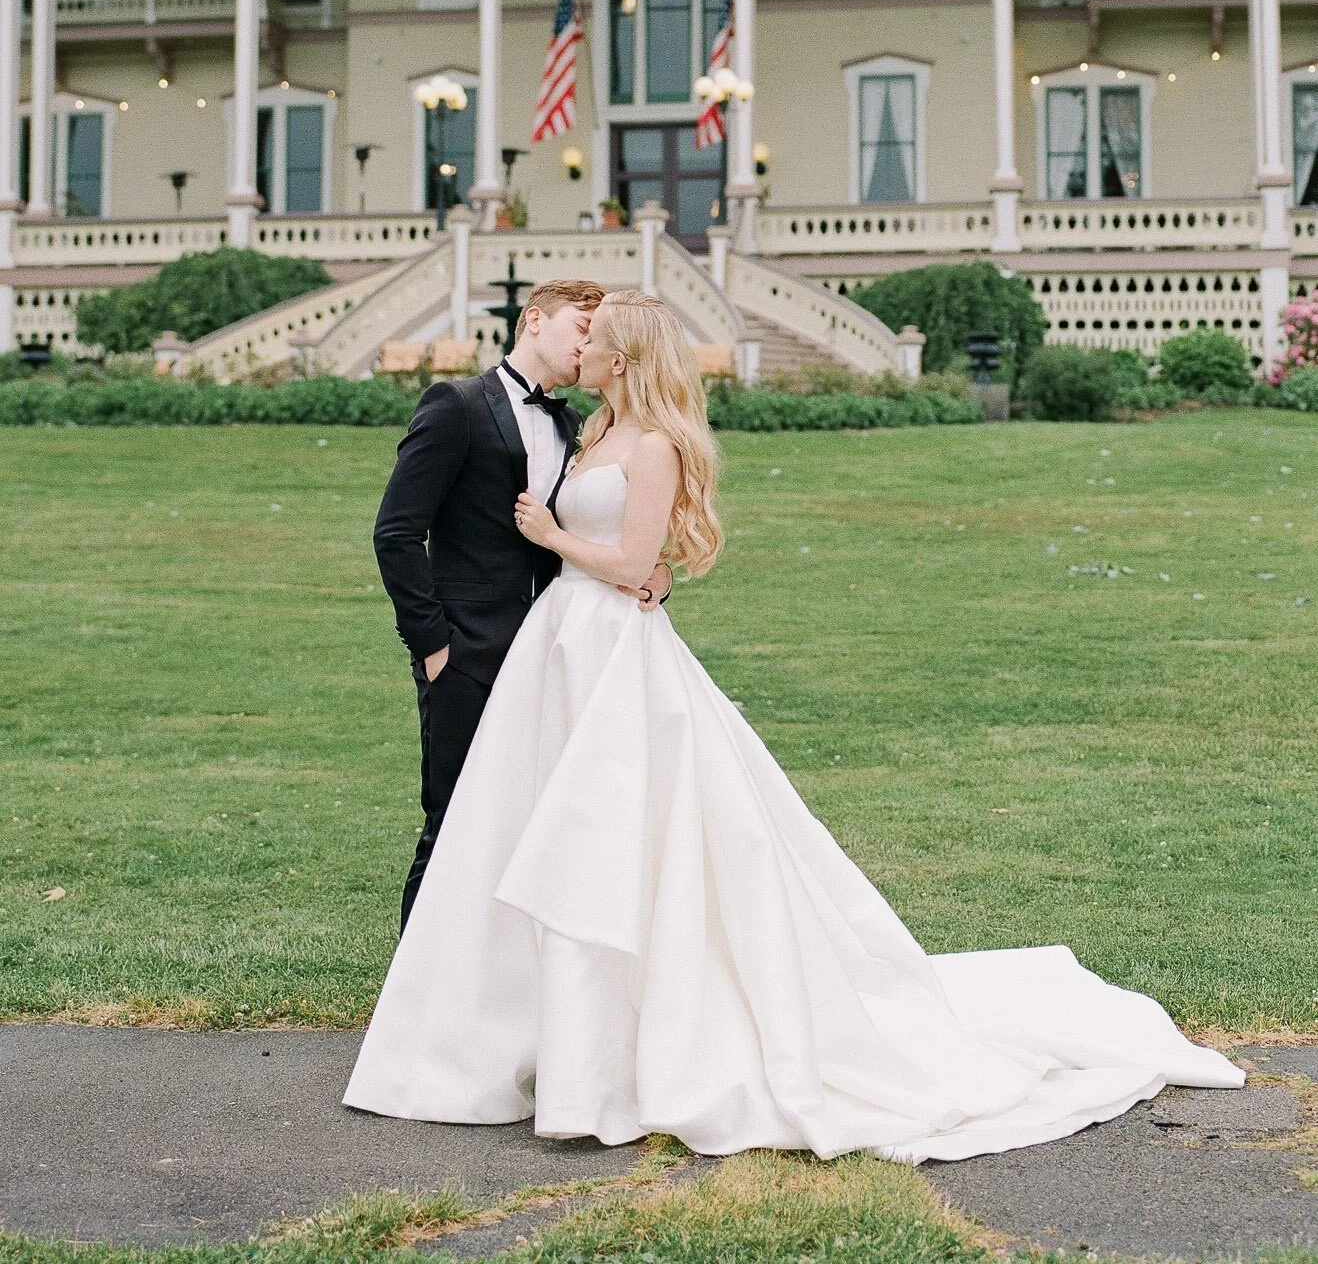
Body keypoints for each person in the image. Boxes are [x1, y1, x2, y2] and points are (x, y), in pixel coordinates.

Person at [346, 290, 1243, 1161]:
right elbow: (438, 531)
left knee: (625, 833)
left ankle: (632, 1043)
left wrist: (573, 547)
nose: (582, 350)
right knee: (512, 830)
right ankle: (496, 1024)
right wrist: (466, 627)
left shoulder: (650, 443)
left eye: (597, 338)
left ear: (622, 355)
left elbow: (628, 553)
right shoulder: (587, 430)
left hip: (613, 655)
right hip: (553, 652)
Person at [372, 278, 671, 931]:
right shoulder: (456, 405)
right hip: (467, 656)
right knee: (453, 827)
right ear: (535, 320)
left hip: (558, 657)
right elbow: (396, 533)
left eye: (598, 335)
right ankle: (414, 1004)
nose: (588, 344)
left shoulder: (583, 428)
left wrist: (655, 573)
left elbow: (605, 530)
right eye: (580, 328)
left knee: (540, 832)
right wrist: (433, 646)